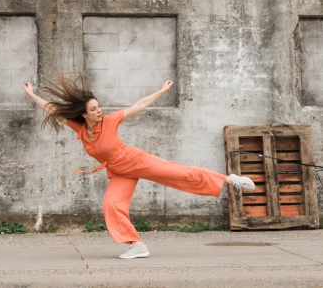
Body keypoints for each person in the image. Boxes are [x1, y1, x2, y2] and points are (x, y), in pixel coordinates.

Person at [23, 67, 255, 259]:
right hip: (118, 171)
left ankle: (230, 179)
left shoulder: (111, 120)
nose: (99, 110)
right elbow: (53, 110)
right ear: (84, 114)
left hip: (135, 160)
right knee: (110, 206)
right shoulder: (81, 128)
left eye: (99, 106)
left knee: (179, 173)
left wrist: (161, 91)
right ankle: (138, 245)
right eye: (94, 109)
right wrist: (33, 95)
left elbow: (139, 105)